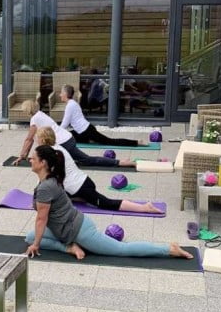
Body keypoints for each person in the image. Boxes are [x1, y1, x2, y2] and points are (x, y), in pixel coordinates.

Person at [24, 145, 193, 261]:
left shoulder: (46, 186)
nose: (30, 159)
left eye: (33, 158)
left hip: (79, 230)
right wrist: (36, 242)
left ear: (43, 163)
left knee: (121, 250)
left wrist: (37, 245)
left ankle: (169, 249)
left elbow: (41, 219)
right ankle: (69, 247)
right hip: (65, 229)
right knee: (30, 237)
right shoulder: (49, 180)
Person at [35, 127, 161, 213]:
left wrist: (37, 198)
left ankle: (144, 207)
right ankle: (77, 198)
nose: (36, 140)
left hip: (82, 187)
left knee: (107, 203)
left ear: (42, 139)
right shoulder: (56, 148)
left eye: (37, 138)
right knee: (58, 190)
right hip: (80, 184)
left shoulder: (52, 153)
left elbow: (46, 178)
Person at [12, 100, 135, 168]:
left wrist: (22, 156)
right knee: (46, 153)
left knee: (86, 160)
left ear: (27, 110)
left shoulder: (34, 119)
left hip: (64, 142)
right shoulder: (40, 114)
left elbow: (29, 139)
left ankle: (119, 162)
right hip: (67, 139)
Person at [59, 84, 143, 147]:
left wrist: (56, 132)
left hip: (87, 131)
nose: (60, 95)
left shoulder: (70, 106)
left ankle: (136, 142)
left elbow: (64, 124)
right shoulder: (73, 103)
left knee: (110, 141)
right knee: (69, 136)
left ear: (66, 94)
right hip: (83, 131)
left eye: (61, 93)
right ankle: (89, 140)